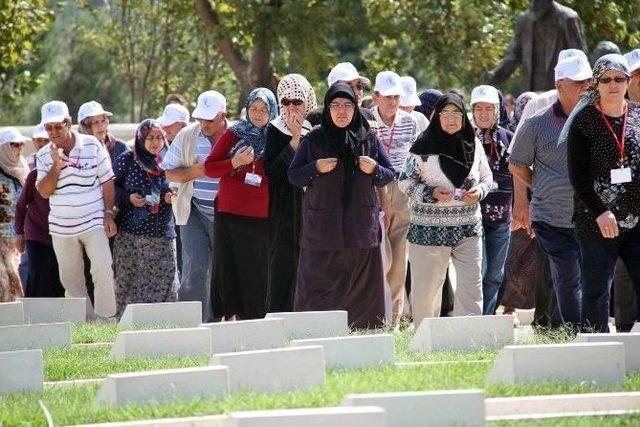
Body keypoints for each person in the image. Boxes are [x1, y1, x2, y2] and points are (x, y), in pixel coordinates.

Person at [288, 83, 394, 329]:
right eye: (335, 105)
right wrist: (315, 167)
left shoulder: (368, 138)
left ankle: (364, 334)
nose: (342, 111)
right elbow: (294, 176)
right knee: (316, 284)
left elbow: (389, 174)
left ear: (356, 108)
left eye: (347, 105)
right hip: (322, 229)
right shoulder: (314, 138)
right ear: (328, 109)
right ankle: (313, 332)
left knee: (363, 289)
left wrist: (375, 169)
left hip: (360, 228)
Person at [509, 54, 592, 330]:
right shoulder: (537, 119)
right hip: (550, 216)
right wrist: (538, 187)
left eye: (588, 81)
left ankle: (564, 327)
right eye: (578, 81)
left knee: (582, 276)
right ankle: (571, 331)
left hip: (588, 215)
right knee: (566, 274)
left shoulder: (597, 117)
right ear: (560, 84)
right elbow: (516, 163)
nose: (585, 86)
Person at [399, 93, 493, 322]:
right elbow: (404, 182)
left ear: (464, 116)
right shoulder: (421, 147)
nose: (451, 119)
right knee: (427, 291)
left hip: (468, 228)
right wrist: (430, 194)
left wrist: (480, 191)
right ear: (437, 116)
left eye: (457, 113)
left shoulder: (474, 144)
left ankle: (469, 338)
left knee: (472, 285)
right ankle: (425, 338)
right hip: (429, 230)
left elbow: (487, 177)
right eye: (446, 113)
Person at [565, 54, 640, 333]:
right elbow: (577, 176)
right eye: (606, 79)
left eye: (619, 79)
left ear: (627, 82)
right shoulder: (584, 120)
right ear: (596, 83)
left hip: (636, 220)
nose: (613, 85)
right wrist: (601, 212)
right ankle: (595, 347)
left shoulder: (638, 115)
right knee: (596, 289)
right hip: (596, 221)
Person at [35, 101, 117, 320]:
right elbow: (44, 192)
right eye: (48, 127)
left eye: (58, 126)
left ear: (69, 123)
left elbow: (107, 180)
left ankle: (106, 320)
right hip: (62, 226)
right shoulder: (44, 155)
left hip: (93, 220)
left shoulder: (92, 144)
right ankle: (84, 324)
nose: (53, 132)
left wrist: (109, 213)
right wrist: (55, 165)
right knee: (71, 280)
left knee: (102, 268)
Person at [204, 88, 277, 320]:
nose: (257, 114)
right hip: (230, 211)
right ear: (246, 109)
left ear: (271, 111)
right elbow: (209, 167)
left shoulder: (277, 137)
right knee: (228, 267)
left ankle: (255, 319)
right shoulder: (233, 134)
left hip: (261, 214)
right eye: (253, 109)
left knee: (257, 269)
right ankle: (228, 316)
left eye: (264, 110)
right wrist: (235, 161)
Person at [160, 90, 227, 323]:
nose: (204, 123)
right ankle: (192, 324)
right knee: (195, 266)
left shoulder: (237, 135)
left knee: (223, 271)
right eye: (200, 118)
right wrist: (198, 171)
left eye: (209, 119)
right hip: (194, 211)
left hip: (228, 215)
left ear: (223, 115)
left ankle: (219, 323)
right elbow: (169, 171)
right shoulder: (187, 135)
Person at [113, 119, 178, 316]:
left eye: (160, 137)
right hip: (131, 236)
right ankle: (127, 325)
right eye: (150, 137)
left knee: (165, 281)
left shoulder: (170, 160)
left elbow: (179, 185)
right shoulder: (127, 159)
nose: (156, 142)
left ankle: (164, 325)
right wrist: (128, 198)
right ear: (141, 138)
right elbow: (110, 188)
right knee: (130, 281)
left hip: (162, 235)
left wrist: (171, 196)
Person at [371, 70, 420, 326]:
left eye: (397, 97)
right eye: (388, 97)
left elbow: (414, 159)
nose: (393, 102)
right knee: (382, 257)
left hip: (402, 191)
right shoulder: (367, 120)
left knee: (400, 258)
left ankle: (394, 319)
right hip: (374, 190)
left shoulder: (410, 121)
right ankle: (377, 313)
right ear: (375, 96)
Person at [264, 74, 317, 312]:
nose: (291, 107)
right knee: (282, 264)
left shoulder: (317, 129)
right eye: (285, 102)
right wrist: (294, 140)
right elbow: (272, 172)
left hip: (313, 207)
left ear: (307, 101)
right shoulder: (274, 130)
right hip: (283, 208)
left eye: (297, 101)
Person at [470, 85, 515, 315]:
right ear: (473, 111)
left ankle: (487, 318)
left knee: (495, 273)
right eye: (479, 109)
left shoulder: (508, 138)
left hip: (502, 217)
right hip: (472, 216)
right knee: (480, 269)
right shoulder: (465, 139)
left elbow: (520, 175)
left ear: (497, 111)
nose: (484, 114)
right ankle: (475, 318)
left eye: (489, 108)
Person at [486, 0, 587, 91]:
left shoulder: (567, 18)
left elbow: (579, 59)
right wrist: (496, 76)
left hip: (560, 93)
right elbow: (513, 56)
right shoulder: (524, 20)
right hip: (531, 93)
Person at [0, 127, 30, 301]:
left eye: (21, 145)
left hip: (19, 238)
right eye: (14, 145)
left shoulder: (22, 168)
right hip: (2, 238)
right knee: (5, 278)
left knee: (14, 277)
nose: (19, 149)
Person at [307, 62, 378, 129]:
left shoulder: (368, 117)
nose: (357, 92)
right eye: (349, 87)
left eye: (359, 86)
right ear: (333, 90)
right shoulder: (316, 118)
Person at [77, 101, 128, 165]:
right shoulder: (75, 151)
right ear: (84, 127)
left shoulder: (120, 148)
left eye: (103, 121)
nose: (101, 126)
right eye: (95, 122)